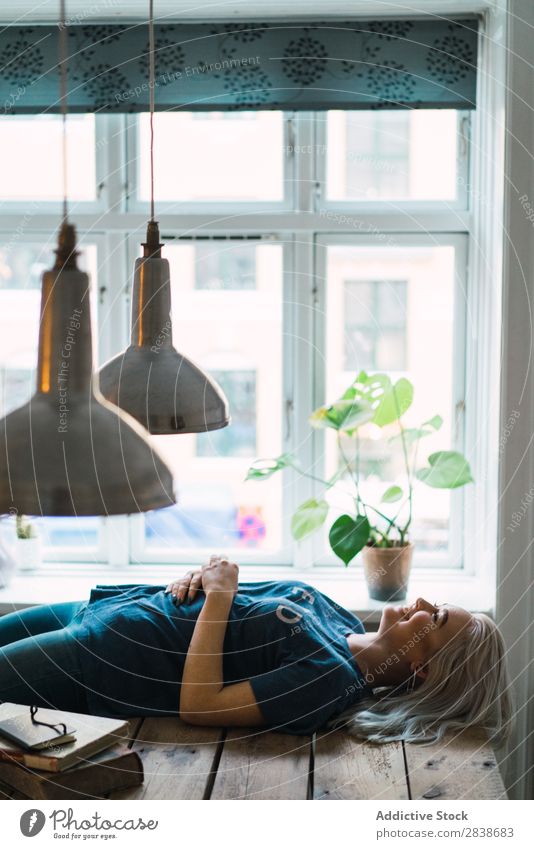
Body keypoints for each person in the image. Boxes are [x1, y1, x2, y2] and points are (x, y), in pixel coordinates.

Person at [0, 555, 513, 744]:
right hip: (105, 610)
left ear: (423, 669)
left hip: (99, 660)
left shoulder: (329, 681)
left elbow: (200, 705)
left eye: (437, 616)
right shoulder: (337, 617)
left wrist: (219, 595)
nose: (421, 600)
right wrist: (199, 581)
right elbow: (228, 609)